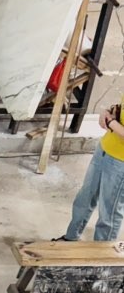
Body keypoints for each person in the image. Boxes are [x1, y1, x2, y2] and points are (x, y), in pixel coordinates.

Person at [62, 99, 124, 242]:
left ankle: (102, 254)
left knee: (108, 214)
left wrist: (111, 122)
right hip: (104, 149)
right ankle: (70, 240)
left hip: (120, 162)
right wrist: (108, 112)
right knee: (84, 199)